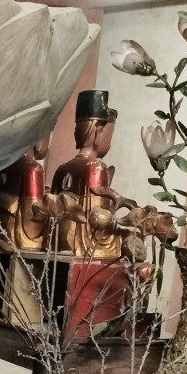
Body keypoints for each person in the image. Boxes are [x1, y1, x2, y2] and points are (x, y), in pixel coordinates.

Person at [50, 90, 120, 258]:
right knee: (119, 240)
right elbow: (97, 219)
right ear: (98, 134)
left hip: (58, 241)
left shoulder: (62, 168)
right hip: (83, 245)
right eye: (110, 135)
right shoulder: (96, 167)